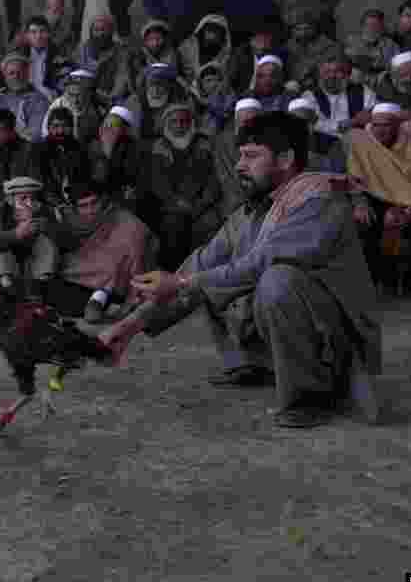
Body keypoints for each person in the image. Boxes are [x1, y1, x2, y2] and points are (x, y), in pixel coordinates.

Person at [99, 111, 382, 428]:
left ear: (286, 158)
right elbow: (201, 263)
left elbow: (262, 262)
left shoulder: (318, 199)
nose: (238, 166)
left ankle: (311, 396)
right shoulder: (256, 209)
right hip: (301, 321)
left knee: (277, 279)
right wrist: (130, 325)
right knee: (210, 274)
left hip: (339, 340)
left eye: (251, 156)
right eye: (239, 156)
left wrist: (182, 282)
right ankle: (254, 364)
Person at [345, 103, 411, 294]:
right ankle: (369, 284)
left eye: (386, 125)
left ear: (397, 126)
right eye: (376, 125)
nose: (380, 130)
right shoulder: (362, 145)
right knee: (364, 223)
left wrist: (406, 207)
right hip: (371, 198)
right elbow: (354, 179)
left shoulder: (410, 145)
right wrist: (359, 204)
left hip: (406, 200)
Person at [55, 183, 155, 324]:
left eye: (94, 203)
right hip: (85, 265)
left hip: (119, 268)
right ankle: (97, 298)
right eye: (83, 206)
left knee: (113, 266)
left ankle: (100, 298)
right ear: (74, 208)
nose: (90, 210)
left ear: (102, 201)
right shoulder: (65, 220)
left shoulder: (119, 216)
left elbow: (138, 239)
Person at [144, 103, 224, 269]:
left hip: (201, 205)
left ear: (191, 123)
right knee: (173, 225)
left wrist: (200, 204)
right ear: (167, 124)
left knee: (212, 226)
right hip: (169, 206)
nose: (179, 125)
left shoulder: (204, 145)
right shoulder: (159, 146)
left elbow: (214, 180)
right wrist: (176, 202)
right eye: (174, 121)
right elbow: (157, 183)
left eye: (183, 121)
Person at [0, 176, 59, 298]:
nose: (29, 203)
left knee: (45, 243)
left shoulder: (44, 212)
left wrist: (48, 229)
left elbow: (66, 242)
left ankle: (41, 291)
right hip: (3, 268)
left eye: (33, 198)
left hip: (31, 266)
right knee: (0, 254)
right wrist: (15, 234)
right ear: (10, 200)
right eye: (23, 199)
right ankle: (9, 295)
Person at [302, 53, 376, 144]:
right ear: (320, 75)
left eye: (338, 71)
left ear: (347, 74)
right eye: (327, 72)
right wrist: (353, 122)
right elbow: (317, 125)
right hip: (324, 150)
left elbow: (372, 117)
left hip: (359, 146)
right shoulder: (309, 96)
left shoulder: (363, 91)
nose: (332, 76)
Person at [0, 52, 51, 143]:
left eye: (20, 72)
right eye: (11, 73)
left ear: (28, 74)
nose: (16, 77)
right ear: (4, 75)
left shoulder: (40, 101)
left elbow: (35, 134)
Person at [344, 9, 400, 91]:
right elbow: (339, 63)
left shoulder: (391, 45)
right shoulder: (351, 42)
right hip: (354, 84)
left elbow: (398, 68)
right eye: (369, 25)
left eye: (376, 25)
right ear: (362, 26)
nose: (372, 29)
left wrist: (386, 74)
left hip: (380, 85)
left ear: (382, 27)